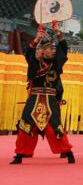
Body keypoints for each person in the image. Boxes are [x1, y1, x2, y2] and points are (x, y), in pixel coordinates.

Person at [10, 22, 74, 164]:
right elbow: (29, 52)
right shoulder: (34, 63)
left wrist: (58, 33)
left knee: (55, 127)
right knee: (26, 125)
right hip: (34, 99)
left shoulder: (56, 64)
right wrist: (37, 38)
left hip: (50, 100)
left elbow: (64, 48)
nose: (54, 51)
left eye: (54, 48)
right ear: (43, 51)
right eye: (50, 49)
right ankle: (20, 153)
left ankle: (67, 151)